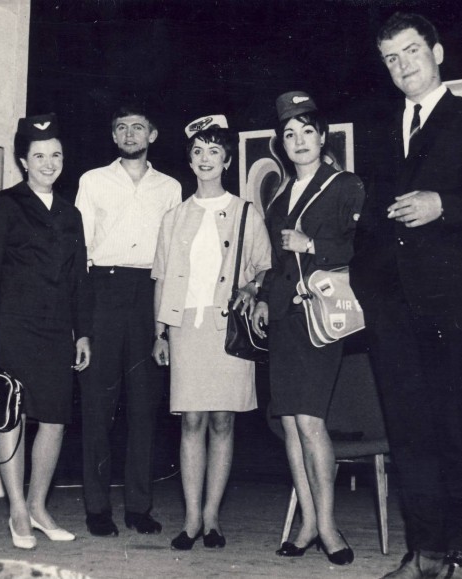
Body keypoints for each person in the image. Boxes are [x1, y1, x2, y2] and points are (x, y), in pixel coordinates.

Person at [349, 13, 462, 579]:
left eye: (411, 51)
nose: (402, 66)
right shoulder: (379, 128)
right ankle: (422, 552)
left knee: (458, 432)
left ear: (438, 52)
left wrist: (442, 205)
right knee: (408, 435)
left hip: (455, 304)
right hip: (391, 309)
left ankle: (460, 555)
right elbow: (370, 220)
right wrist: (365, 287)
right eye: (391, 58)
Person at [252, 92, 365, 566]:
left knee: (311, 421)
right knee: (290, 423)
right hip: (284, 318)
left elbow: (361, 249)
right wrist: (262, 297)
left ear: (322, 137)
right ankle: (307, 523)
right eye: (289, 134)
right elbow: (276, 262)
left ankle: (329, 526)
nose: (298, 141)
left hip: (322, 315)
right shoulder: (278, 196)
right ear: (282, 144)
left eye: (306, 132)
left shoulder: (344, 185)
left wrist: (311, 244)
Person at [0, 113, 93, 549]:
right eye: (39, 156)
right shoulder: (5, 203)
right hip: (14, 326)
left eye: (55, 155)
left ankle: (39, 507)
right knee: (14, 416)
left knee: (56, 419)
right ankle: (18, 511)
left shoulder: (71, 213)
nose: (49, 163)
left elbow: (79, 278)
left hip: (57, 329)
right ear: (23, 160)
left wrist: (83, 332)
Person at [152, 115, 271, 550]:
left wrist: (252, 288)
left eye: (214, 151)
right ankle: (190, 520)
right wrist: (160, 332)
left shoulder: (245, 212)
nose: (206, 159)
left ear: (227, 160)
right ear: (190, 160)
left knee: (223, 421)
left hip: (228, 328)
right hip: (186, 327)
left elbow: (265, 267)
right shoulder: (174, 216)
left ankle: (212, 516)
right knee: (191, 421)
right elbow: (161, 277)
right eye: (198, 151)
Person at [75, 104, 182, 537]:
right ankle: (97, 508)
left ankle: (139, 507)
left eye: (138, 127)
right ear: (113, 135)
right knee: (97, 406)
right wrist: (81, 319)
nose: (130, 134)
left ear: (152, 135)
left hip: (149, 293)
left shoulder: (170, 187)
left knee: (143, 406)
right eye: (122, 128)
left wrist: (165, 324)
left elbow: (173, 256)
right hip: (103, 289)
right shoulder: (93, 180)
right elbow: (80, 250)